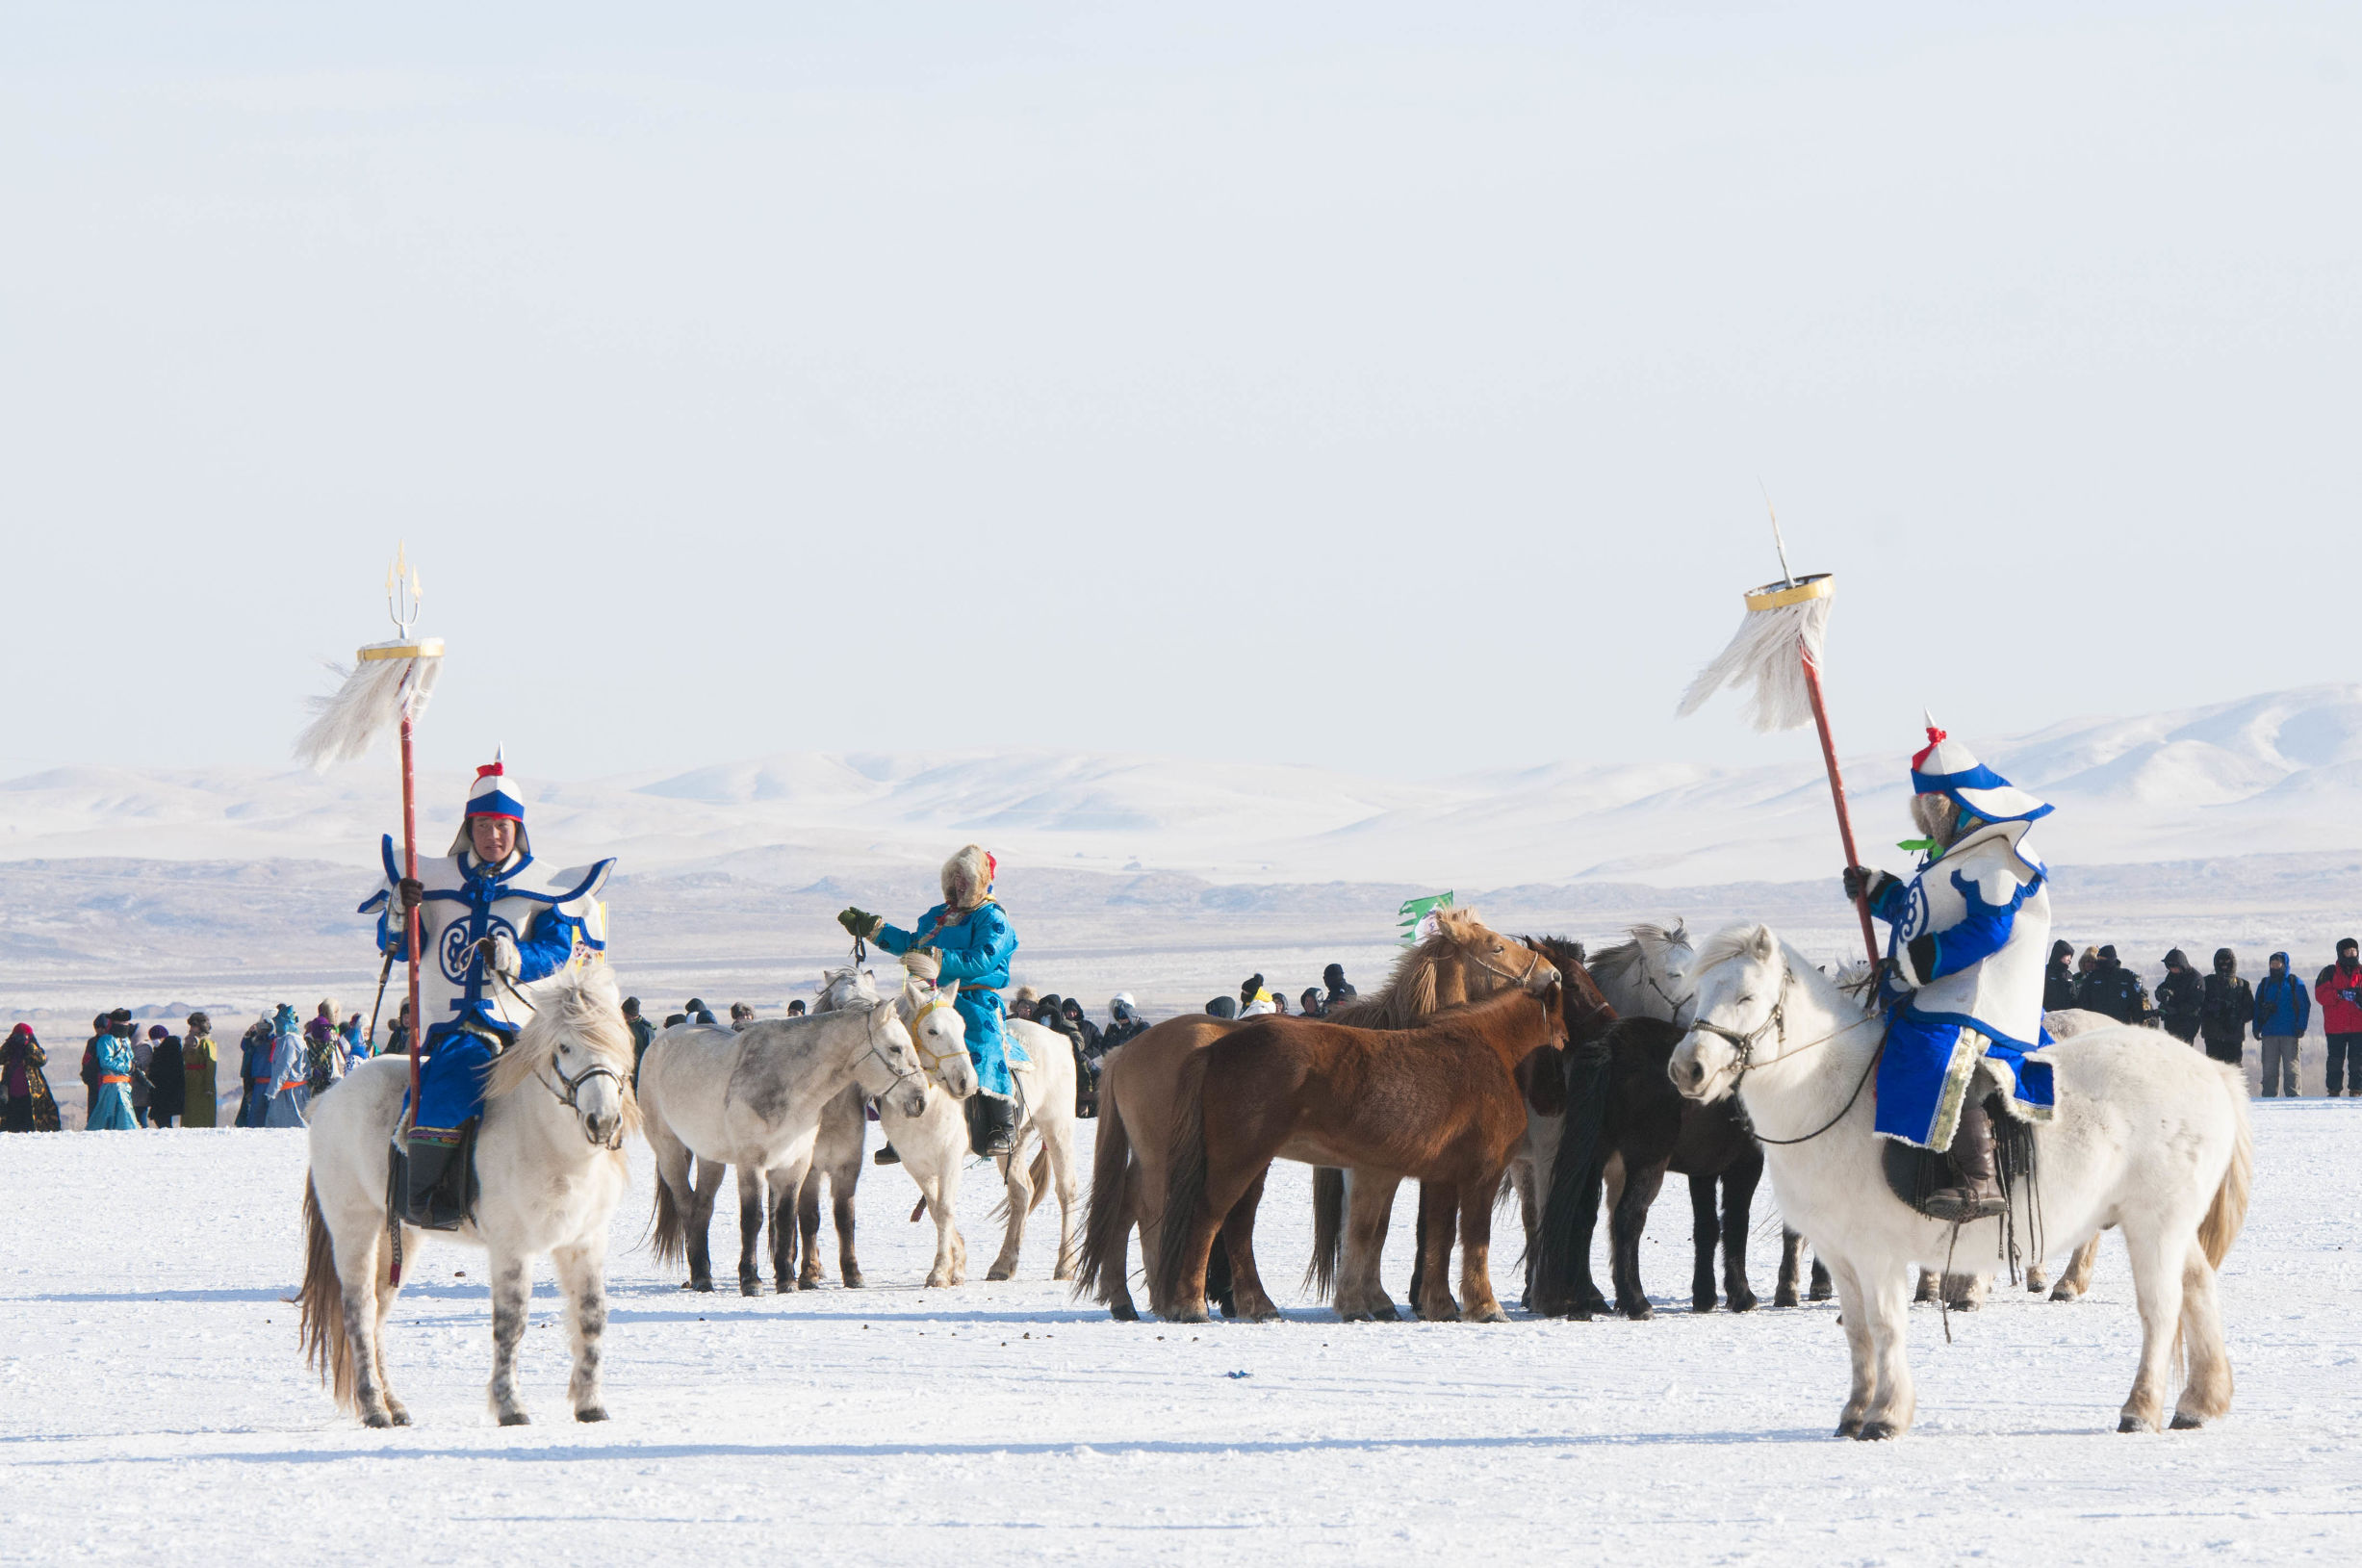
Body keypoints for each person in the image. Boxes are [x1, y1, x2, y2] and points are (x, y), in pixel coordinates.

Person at [360, 757, 615, 1226]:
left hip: (529, 1021)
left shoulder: (545, 888)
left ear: (517, 829)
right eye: (482, 826)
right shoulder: (431, 881)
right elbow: (397, 948)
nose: (492, 836)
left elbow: (558, 951)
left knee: (599, 1071)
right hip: (464, 1026)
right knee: (457, 1075)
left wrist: (513, 956)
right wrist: (402, 910)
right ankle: (425, 1197)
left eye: (502, 826)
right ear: (468, 827)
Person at [1841, 722, 2054, 1222]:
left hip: (1978, 996)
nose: (1924, 819)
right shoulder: (1953, 857)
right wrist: (1879, 892)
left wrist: (1919, 962)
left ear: (1948, 805)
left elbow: (1989, 930)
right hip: (1941, 989)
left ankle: (1981, 1181)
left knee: (1935, 1054)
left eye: (1929, 808)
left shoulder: (1997, 857)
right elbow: (1926, 917)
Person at [839, 844, 1020, 1156]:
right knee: (895, 1039)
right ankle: (901, 1129)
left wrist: (935, 957)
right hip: (930, 995)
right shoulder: (939, 916)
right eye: (956, 877)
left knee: (982, 1036)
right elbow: (912, 944)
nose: (960, 884)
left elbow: (982, 961)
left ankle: (1000, 1125)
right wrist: (875, 930)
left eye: (966, 878)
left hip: (972, 996)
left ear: (980, 881)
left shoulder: (993, 918)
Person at [2253, 951, 2310, 1096]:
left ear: (2285, 964)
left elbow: (2304, 1005)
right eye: (2272, 964)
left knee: (2291, 1069)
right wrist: (2256, 1027)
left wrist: (2301, 1026)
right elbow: (2257, 1007)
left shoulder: (2294, 982)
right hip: (2269, 1032)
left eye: (2278, 963)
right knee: (2269, 1069)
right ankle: (2269, 1098)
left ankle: (2293, 1097)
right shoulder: (2265, 983)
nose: (2275, 966)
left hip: (2290, 1032)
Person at [2315, 938, 2362, 1096]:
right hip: (2336, 1026)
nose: (2352, 954)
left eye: (2354, 951)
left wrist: (2359, 997)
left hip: (2358, 1026)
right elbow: (2320, 995)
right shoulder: (2328, 972)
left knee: (2358, 1060)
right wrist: (2339, 994)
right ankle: (2334, 1090)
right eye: (2348, 951)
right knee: (2335, 1060)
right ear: (2341, 953)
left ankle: (2357, 1090)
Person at [2197, 949, 2252, 1069]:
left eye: (2228, 961)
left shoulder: (2242, 985)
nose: (2224, 964)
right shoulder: (2207, 983)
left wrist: (2235, 1016)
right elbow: (2198, 1005)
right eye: (2221, 961)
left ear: (2233, 963)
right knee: (2214, 1072)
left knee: (2234, 1072)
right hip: (2213, 1035)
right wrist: (2212, 1010)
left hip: (2234, 1036)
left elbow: (2250, 1010)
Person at [2, 1024, 62, 1132]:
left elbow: (42, 1060)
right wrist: (9, 1043)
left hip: (32, 1095)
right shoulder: (10, 1049)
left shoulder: (32, 1048)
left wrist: (31, 1047)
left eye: (23, 1036)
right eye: (17, 1036)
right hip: (11, 1094)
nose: (20, 1039)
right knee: (11, 1126)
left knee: (31, 1126)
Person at [2077, 945, 2150, 1025]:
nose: (2100, 962)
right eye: (2099, 959)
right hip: (2096, 1027)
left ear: (2111, 959)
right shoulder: (2091, 978)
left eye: (2103, 959)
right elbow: (2083, 1004)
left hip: (2121, 1027)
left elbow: (2136, 1004)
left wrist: (2138, 1024)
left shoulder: (2127, 977)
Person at [266, 1004, 312, 1127]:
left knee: (286, 1124)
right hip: (298, 1090)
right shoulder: (298, 1039)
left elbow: (283, 1066)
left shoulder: (289, 1041)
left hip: (288, 1093)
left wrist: (272, 1090)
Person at [88, 1016, 138, 1131]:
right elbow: (106, 1062)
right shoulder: (106, 1040)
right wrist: (126, 1067)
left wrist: (132, 1065)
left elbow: (130, 1057)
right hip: (112, 1085)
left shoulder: (125, 1040)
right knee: (110, 1117)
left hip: (125, 1085)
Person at [2154, 950, 2203, 1044]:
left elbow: (2195, 1005)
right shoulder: (2173, 975)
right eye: (2170, 968)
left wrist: (2176, 1010)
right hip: (2172, 1024)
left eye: (2174, 967)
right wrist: (2161, 994)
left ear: (2182, 965)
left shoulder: (2195, 979)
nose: (2172, 970)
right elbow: (2163, 987)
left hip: (2187, 1026)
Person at [180, 1013, 218, 1128]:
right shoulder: (189, 1042)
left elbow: (211, 1066)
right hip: (189, 1081)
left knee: (202, 1111)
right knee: (189, 1110)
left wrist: (208, 1086)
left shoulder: (207, 1043)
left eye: (194, 1026)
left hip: (201, 1082)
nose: (191, 1029)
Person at [236, 1017, 272, 1127]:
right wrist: (250, 1033)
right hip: (253, 1079)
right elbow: (245, 1046)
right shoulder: (257, 1039)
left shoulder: (274, 1040)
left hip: (266, 1080)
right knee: (252, 1109)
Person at [147, 1026, 186, 1128]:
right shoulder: (163, 1049)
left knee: (162, 1119)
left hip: (167, 1090)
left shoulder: (170, 1049)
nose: (155, 1041)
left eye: (156, 1039)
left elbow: (168, 1070)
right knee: (162, 1118)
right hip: (163, 1091)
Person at [128, 1018, 156, 1127]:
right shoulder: (135, 1047)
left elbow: (143, 1066)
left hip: (140, 1089)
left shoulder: (144, 1048)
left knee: (140, 1117)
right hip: (134, 1087)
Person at [622, 997, 655, 1084]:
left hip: (640, 1073)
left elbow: (650, 1055)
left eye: (623, 1013)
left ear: (629, 1014)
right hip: (626, 1071)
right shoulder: (624, 1026)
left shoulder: (645, 1030)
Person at [2041, 939, 2077, 1013]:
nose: (2070, 959)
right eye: (2067, 955)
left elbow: (2074, 998)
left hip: (2066, 1017)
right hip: (2047, 1016)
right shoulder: (2045, 972)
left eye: (2071, 956)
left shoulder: (2069, 975)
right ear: (2059, 954)